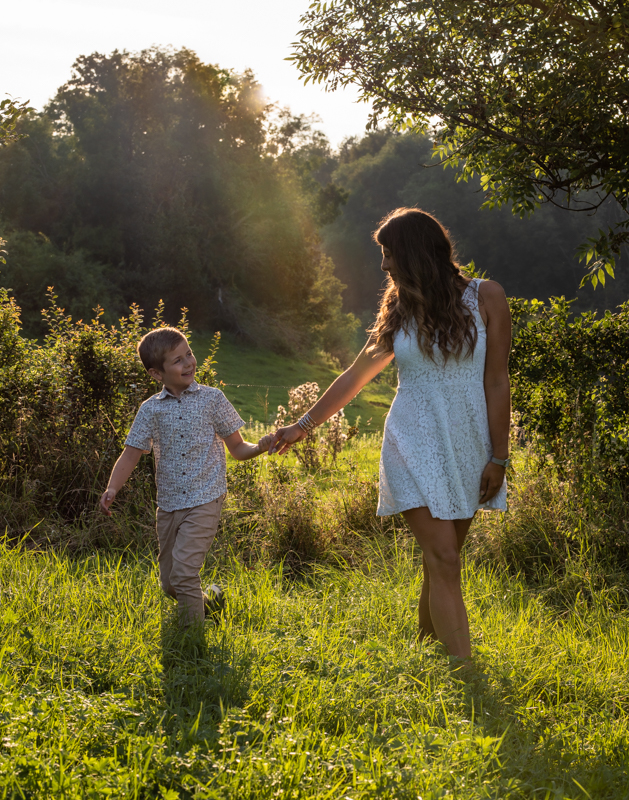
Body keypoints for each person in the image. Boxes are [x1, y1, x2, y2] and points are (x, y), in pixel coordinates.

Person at [269, 208, 511, 660]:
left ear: (417, 253)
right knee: (443, 558)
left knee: (444, 560)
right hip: (410, 441)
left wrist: (499, 456)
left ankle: (425, 649)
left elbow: (497, 380)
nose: (383, 265)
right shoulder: (398, 309)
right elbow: (354, 377)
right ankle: (467, 674)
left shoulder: (487, 297)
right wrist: (303, 426)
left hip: (468, 445)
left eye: (389, 253)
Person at [99, 327, 272, 627]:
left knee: (184, 572)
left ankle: (193, 640)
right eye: (178, 360)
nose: (189, 362)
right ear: (157, 374)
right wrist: (113, 487)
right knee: (170, 583)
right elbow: (130, 454)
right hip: (168, 504)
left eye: (189, 353)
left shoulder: (212, 399)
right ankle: (210, 603)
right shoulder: (150, 410)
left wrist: (261, 447)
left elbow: (238, 449)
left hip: (206, 497)